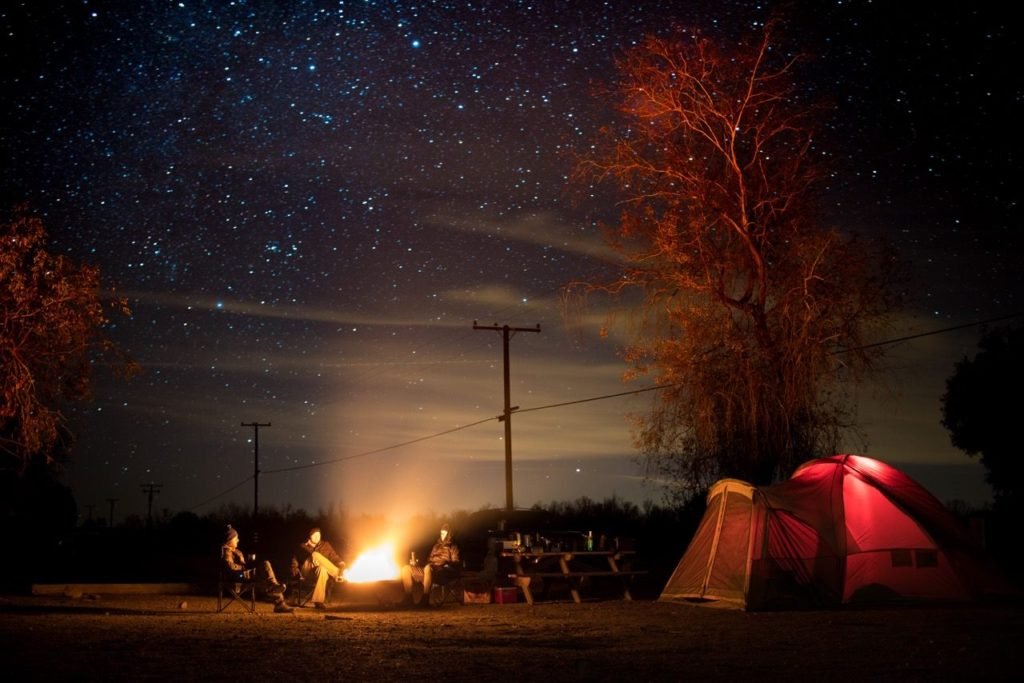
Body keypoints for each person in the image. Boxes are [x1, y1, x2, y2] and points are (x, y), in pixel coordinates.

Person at [221, 524, 293, 613]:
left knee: (265, 572)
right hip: (237, 576)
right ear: (230, 540)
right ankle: (278, 599)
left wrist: (250, 563)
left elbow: (241, 565)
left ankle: (275, 593)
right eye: (236, 538)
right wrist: (244, 567)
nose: (238, 540)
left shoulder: (235, 551)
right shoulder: (226, 551)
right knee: (265, 566)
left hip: (242, 574)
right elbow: (230, 567)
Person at [401, 522, 461, 605]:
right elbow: (429, 561)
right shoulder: (436, 546)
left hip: (442, 573)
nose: (442, 535)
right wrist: (417, 564)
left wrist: (445, 563)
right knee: (406, 569)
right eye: (441, 533)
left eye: (444, 533)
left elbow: (456, 563)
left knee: (428, 568)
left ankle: (425, 598)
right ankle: (408, 598)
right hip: (429, 571)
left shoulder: (453, 547)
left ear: (449, 534)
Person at [292, 527, 346, 609]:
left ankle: (318, 601)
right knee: (315, 555)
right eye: (314, 535)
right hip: (307, 571)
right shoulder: (303, 546)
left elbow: (334, 556)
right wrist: (294, 570)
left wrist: (341, 563)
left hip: (318, 572)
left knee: (323, 569)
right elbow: (294, 560)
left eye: (319, 535)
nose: (317, 537)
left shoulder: (325, 545)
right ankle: (337, 573)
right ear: (310, 536)